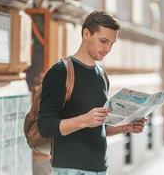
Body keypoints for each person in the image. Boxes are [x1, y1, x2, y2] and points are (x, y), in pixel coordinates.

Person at [38, 10, 146, 175]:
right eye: (103, 41)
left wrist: (125, 127)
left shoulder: (102, 75)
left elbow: (98, 127)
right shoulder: (61, 71)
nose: (108, 48)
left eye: (111, 43)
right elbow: (45, 126)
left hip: (99, 169)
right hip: (70, 169)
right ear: (86, 34)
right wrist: (84, 120)